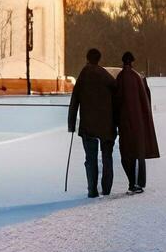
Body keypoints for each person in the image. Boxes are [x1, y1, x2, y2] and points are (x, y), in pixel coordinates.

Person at [68, 47, 117, 198]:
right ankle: (107, 189)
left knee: (91, 158)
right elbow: (117, 96)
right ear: (99, 59)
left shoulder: (83, 75)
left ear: (87, 59)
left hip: (88, 126)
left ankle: (92, 190)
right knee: (107, 156)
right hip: (107, 125)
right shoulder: (106, 76)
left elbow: (74, 101)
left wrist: (71, 124)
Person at [114, 51, 160, 195]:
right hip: (139, 121)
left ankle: (131, 183)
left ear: (123, 62)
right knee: (138, 152)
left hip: (125, 122)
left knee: (127, 152)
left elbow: (116, 101)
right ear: (132, 62)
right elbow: (146, 99)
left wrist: (116, 121)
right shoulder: (138, 77)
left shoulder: (120, 78)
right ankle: (139, 183)